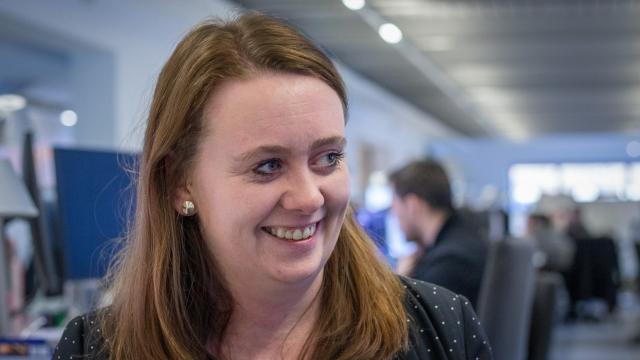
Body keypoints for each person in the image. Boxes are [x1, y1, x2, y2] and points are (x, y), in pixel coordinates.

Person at [53, 13, 492, 360]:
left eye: (328, 159)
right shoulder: (95, 349)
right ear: (179, 183)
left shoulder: (440, 328)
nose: (308, 197)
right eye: (267, 165)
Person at [389, 159, 488, 307]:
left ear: (413, 205)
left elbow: (412, 322)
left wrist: (398, 283)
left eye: (395, 206)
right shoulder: (464, 237)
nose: (394, 214)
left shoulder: (449, 263)